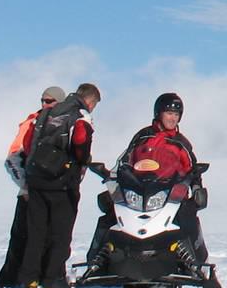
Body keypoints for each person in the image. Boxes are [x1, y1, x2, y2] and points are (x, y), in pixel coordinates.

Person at [85, 91, 207, 276]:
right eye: (169, 113)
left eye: (176, 114)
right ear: (159, 113)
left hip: (169, 191)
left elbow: (192, 167)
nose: (173, 118)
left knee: (187, 213)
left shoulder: (181, 143)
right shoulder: (142, 136)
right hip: (138, 188)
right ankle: (97, 261)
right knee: (110, 211)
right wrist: (111, 176)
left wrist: (197, 187)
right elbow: (124, 161)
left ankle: (194, 264)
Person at [16, 82, 100, 288]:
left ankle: (29, 279)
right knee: (60, 234)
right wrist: (82, 161)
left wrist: (30, 175)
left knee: (36, 232)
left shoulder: (50, 111)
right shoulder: (80, 115)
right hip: (62, 183)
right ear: (90, 101)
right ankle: (53, 280)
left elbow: (32, 144)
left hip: (36, 180)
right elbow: (81, 141)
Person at [0, 86, 65, 288]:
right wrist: (25, 187)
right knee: (21, 239)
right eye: (43, 100)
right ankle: (10, 281)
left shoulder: (68, 123)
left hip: (55, 193)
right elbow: (13, 158)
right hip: (30, 193)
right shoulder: (31, 123)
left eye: (50, 101)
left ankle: (45, 279)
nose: (45, 104)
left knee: (51, 239)